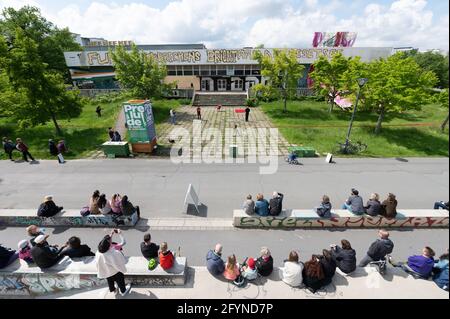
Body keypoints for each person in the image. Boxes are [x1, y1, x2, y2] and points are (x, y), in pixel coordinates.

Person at [96, 231, 132, 296]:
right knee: (120, 281)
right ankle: (123, 291)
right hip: (116, 271)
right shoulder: (114, 252)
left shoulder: (98, 253)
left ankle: (114, 290)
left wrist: (111, 234)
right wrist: (120, 233)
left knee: (110, 281)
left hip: (107, 271)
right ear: (109, 245)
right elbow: (122, 261)